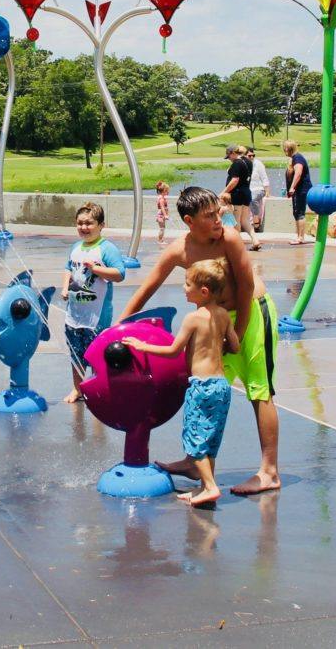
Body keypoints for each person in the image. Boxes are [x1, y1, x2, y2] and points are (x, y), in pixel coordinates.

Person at [119, 187, 281, 495]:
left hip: (253, 313)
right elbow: (147, 288)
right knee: (204, 386)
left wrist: (239, 335)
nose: (219, 219)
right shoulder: (179, 251)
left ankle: (269, 471)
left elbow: (245, 287)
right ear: (189, 221)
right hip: (218, 321)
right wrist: (119, 326)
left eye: (218, 211)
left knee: (259, 389)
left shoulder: (229, 238)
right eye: (210, 215)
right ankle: (198, 462)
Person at [123, 259, 240, 506]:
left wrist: (142, 346)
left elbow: (174, 351)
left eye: (188, 285)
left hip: (202, 386)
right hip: (221, 385)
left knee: (196, 436)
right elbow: (236, 346)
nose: (184, 288)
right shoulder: (222, 316)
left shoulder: (193, 318)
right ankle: (204, 486)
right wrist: (216, 344)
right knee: (210, 438)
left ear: (204, 292)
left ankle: (209, 486)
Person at [60, 202, 126, 405]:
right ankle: (77, 389)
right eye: (80, 223)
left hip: (97, 316)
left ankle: (99, 389)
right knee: (76, 354)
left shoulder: (106, 249)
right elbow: (68, 268)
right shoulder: (76, 247)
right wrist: (64, 287)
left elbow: (119, 274)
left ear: (101, 225)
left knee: (97, 355)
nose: (84, 227)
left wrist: (97, 270)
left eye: (89, 223)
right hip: (74, 313)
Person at [221, 145, 261, 250]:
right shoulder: (248, 162)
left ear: (233, 153)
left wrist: (223, 192)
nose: (228, 159)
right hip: (247, 193)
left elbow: (235, 180)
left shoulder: (236, 164)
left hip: (237, 194)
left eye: (229, 156)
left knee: (236, 220)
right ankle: (255, 240)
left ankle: (237, 245)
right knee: (245, 220)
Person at [283, 139, 313, 245]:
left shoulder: (297, 158)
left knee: (300, 212)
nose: (284, 150)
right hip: (298, 190)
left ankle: (301, 237)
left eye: (285, 148)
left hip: (301, 189)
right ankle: (298, 236)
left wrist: (292, 187)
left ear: (289, 149)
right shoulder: (295, 158)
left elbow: (298, 173)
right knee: (296, 212)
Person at [246, 147, 269, 233]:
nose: (251, 157)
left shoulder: (258, 164)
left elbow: (264, 178)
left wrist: (267, 191)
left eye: (253, 155)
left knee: (252, 198)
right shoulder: (243, 164)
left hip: (258, 189)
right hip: (248, 189)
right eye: (249, 156)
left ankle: (256, 220)